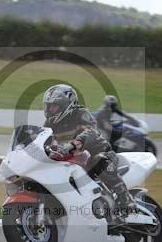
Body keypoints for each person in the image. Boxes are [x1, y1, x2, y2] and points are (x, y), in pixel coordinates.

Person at [43, 84, 134, 222]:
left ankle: (126, 200)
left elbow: (91, 131)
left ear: (66, 104)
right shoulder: (49, 124)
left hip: (96, 154)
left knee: (100, 161)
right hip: (71, 161)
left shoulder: (81, 113)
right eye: (48, 106)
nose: (50, 109)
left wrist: (74, 144)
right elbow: (43, 140)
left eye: (53, 106)